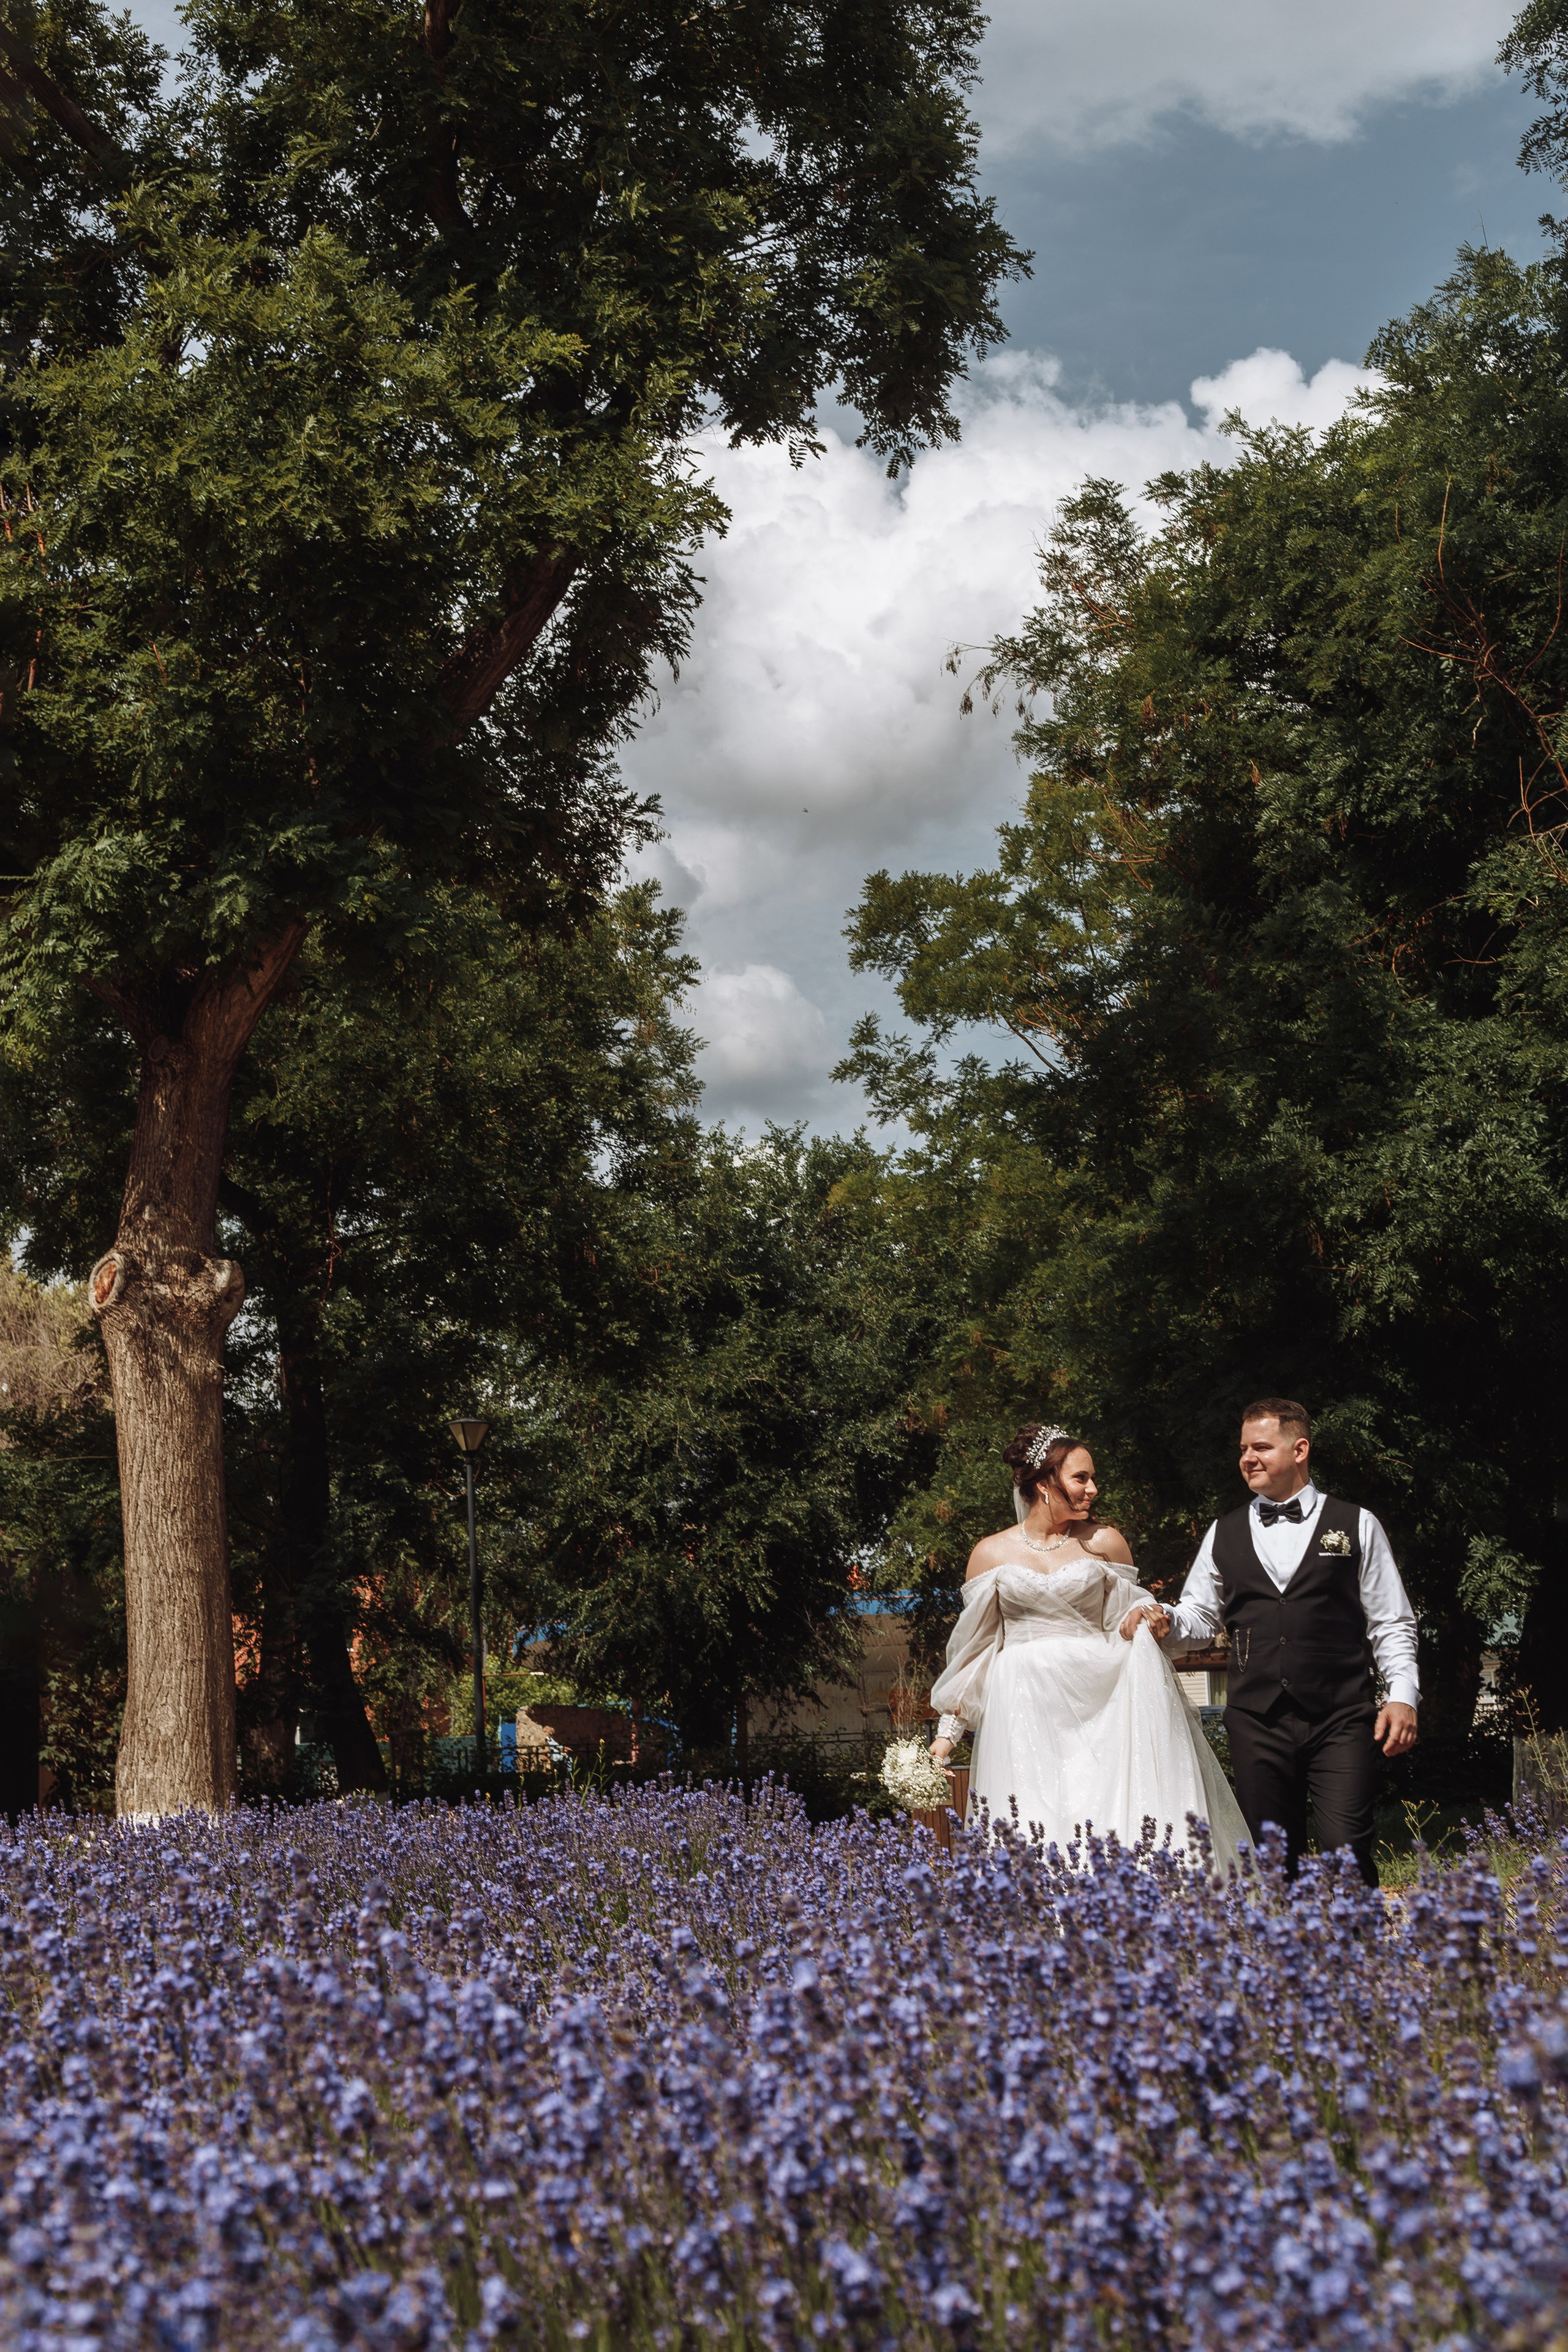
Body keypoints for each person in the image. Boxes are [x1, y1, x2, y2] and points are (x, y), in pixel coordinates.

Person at [1123, 1397, 1418, 1887]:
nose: (1247, 1458)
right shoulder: (1224, 1531)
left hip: (1341, 1715)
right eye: (1243, 1449)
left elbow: (1392, 1622)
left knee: (1347, 1851)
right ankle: (1286, 1962)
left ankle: (1356, 1959)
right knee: (1271, 1861)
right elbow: (1198, 1615)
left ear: (1300, 1449)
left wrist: (1402, 1694)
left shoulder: (1357, 1523)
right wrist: (1166, 1622)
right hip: (1256, 1718)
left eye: (1261, 1446)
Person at [927, 1425, 1248, 1871]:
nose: (1093, 1489)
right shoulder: (990, 1554)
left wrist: (1147, 1619)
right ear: (1044, 1483)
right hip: (1025, 1710)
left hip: (1102, 1704)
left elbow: (1126, 1622)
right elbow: (976, 1652)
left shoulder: (1105, 1543)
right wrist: (946, 1739)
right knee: (1033, 1823)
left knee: (1108, 1818)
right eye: (1081, 1478)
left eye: (1093, 1478)